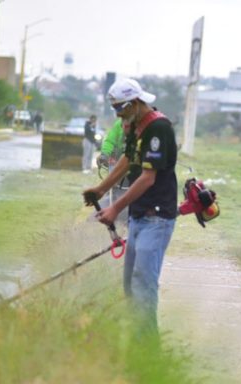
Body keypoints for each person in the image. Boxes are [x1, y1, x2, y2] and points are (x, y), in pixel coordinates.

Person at [83, 78, 177, 330]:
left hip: (156, 219)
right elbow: (127, 159)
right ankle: (137, 342)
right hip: (138, 217)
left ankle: (148, 351)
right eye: (114, 109)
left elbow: (148, 178)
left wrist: (114, 208)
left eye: (120, 109)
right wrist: (100, 189)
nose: (117, 115)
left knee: (143, 284)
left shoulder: (158, 128)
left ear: (135, 103)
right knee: (130, 286)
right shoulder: (136, 127)